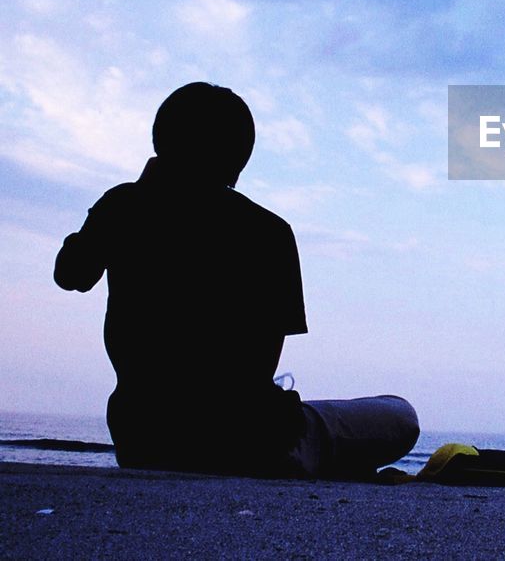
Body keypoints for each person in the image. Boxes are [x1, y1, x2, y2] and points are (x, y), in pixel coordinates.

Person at [54, 82, 419, 479]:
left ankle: (305, 453)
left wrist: (131, 197)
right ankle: (303, 454)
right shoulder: (269, 231)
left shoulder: (123, 206)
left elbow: (71, 274)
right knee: (400, 414)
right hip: (248, 439)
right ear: (240, 157)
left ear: (160, 140)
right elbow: (263, 363)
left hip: (141, 437)